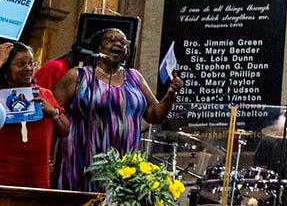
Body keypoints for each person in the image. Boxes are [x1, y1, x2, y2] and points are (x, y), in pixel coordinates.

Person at [53, 27, 179, 191]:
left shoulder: (135, 77)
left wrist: (170, 95)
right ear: (98, 47)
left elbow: (154, 115)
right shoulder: (77, 77)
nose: (118, 43)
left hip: (124, 167)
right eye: (111, 39)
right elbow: (53, 117)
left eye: (123, 41)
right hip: (82, 161)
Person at [0, 40, 67, 187]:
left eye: (31, 63)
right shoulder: (0, 95)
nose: (28, 68)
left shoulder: (44, 94)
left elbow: (65, 131)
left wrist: (53, 112)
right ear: (6, 67)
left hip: (38, 177)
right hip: (4, 176)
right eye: (20, 64)